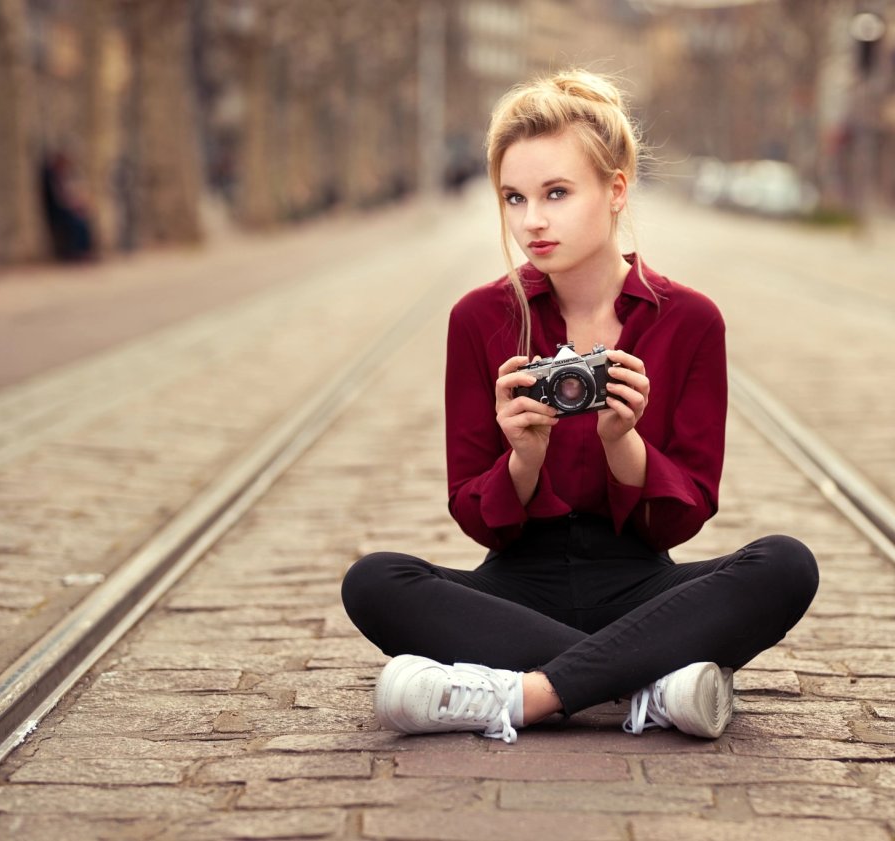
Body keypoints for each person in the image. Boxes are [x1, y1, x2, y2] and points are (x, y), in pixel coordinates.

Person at [341, 69, 818, 744]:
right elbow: (477, 516)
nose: (532, 220)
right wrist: (523, 459)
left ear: (616, 189)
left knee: (786, 564)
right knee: (374, 580)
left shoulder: (690, 321)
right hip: (515, 587)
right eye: (514, 197)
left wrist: (625, 445)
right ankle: (650, 685)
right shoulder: (479, 319)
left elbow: (686, 515)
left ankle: (522, 694)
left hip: (642, 586)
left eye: (556, 193)